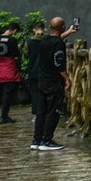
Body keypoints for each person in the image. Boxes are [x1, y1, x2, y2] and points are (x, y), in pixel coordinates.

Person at [32, 17, 77, 151]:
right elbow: (59, 64)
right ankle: (47, 140)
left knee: (41, 111)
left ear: (50, 28)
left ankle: (37, 139)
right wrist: (67, 79)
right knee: (53, 111)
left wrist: (68, 32)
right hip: (53, 82)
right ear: (62, 27)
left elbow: (55, 39)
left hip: (42, 80)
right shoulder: (59, 44)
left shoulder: (44, 40)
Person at [0, 21, 22, 123]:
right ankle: (4, 116)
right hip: (9, 67)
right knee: (7, 93)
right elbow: (16, 53)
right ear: (14, 30)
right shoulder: (12, 40)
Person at [25, 21, 46, 121]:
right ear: (44, 29)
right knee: (45, 92)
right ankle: (45, 112)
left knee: (34, 92)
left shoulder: (29, 41)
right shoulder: (47, 40)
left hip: (32, 70)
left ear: (34, 29)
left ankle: (36, 113)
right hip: (45, 71)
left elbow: (25, 55)